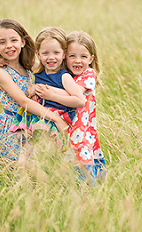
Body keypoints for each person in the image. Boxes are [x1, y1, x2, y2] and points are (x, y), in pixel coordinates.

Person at [0, 19, 68, 179]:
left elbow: (54, 66)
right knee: (16, 170)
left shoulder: (29, 66)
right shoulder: (1, 72)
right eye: (2, 42)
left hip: (33, 121)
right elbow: (24, 102)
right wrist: (55, 117)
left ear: (23, 42)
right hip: (13, 124)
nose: (9, 46)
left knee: (40, 166)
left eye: (14, 40)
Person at [36, 30, 107, 182]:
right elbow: (36, 61)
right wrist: (6, 61)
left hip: (81, 129)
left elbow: (74, 96)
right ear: (64, 56)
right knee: (64, 168)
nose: (77, 61)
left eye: (83, 56)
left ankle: (89, 194)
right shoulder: (65, 73)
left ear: (91, 59)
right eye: (72, 56)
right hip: (68, 127)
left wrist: (42, 89)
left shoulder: (88, 74)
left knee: (82, 163)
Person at [9, 27, 84, 138]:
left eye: (56, 52)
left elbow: (80, 101)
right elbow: (20, 61)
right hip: (41, 118)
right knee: (28, 147)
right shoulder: (38, 72)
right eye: (45, 53)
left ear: (64, 54)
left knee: (45, 148)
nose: (51, 57)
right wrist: (3, 59)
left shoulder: (64, 77)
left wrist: (51, 95)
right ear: (38, 54)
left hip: (59, 121)